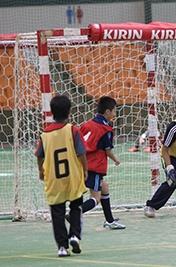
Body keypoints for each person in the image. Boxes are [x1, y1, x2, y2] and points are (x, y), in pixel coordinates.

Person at [35, 95, 87, 257]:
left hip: (54, 179)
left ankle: (62, 247)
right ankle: (74, 235)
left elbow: (39, 155)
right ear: (70, 112)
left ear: (51, 112)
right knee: (76, 207)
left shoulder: (45, 134)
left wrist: (41, 170)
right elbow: (81, 153)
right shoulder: (73, 130)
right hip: (72, 177)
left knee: (57, 213)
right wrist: (85, 169)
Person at [78, 96, 125, 229]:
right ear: (107, 112)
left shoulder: (86, 124)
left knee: (104, 187)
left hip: (81, 163)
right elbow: (107, 150)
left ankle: (109, 221)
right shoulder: (105, 129)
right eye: (114, 111)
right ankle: (76, 213)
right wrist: (115, 159)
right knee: (95, 198)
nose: (115, 114)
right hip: (94, 165)